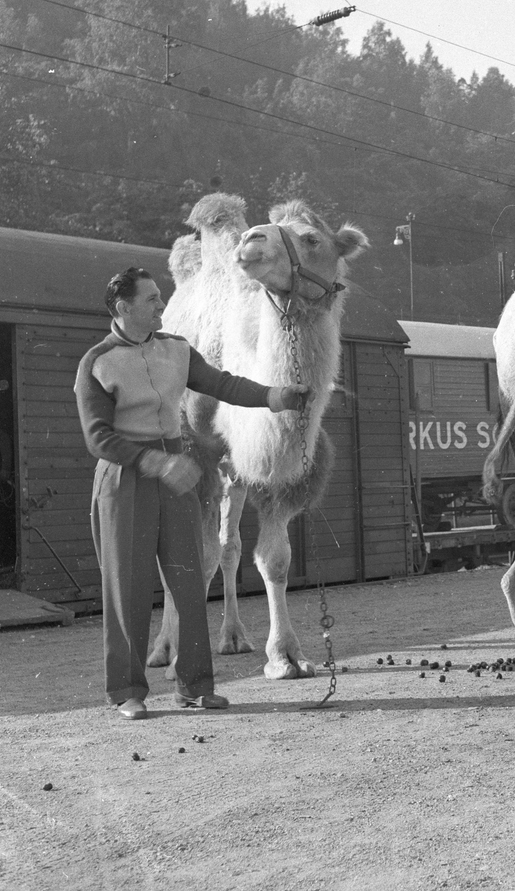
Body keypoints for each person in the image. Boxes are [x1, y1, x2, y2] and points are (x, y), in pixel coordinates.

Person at [75, 267, 308, 721]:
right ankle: (127, 692)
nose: (163, 306)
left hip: (176, 475)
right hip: (126, 480)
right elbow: (97, 437)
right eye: (152, 300)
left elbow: (222, 384)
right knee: (128, 589)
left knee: (190, 580)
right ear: (123, 308)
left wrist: (275, 397)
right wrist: (157, 463)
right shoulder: (97, 362)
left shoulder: (178, 350)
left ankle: (196, 687)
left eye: (161, 298)